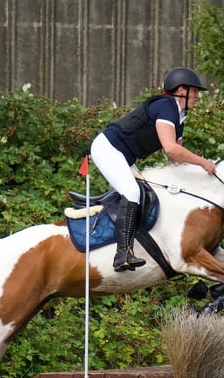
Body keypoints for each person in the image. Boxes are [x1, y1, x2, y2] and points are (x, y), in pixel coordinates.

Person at [90, 66, 217, 272]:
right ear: (181, 90)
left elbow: (176, 158)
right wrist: (203, 162)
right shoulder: (165, 106)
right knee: (131, 192)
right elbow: (171, 148)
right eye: (194, 91)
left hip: (123, 156)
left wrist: (201, 173)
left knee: (145, 192)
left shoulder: (179, 116)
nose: (197, 97)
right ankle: (122, 254)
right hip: (107, 149)